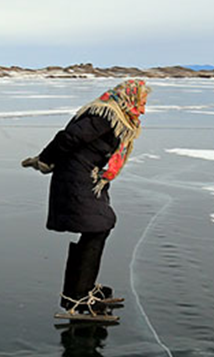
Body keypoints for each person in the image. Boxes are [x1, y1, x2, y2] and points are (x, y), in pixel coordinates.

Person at [22, 78, 151, 321]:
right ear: (129, 99)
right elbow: (68, 138)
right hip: (77, 177)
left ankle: (81, 290)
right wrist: (45, 159)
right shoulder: (104, 116)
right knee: (97, 227)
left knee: (99, 227)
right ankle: (78, 295)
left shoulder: (115, 116)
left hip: (88, 177)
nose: (143, 110)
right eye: (141, 103)